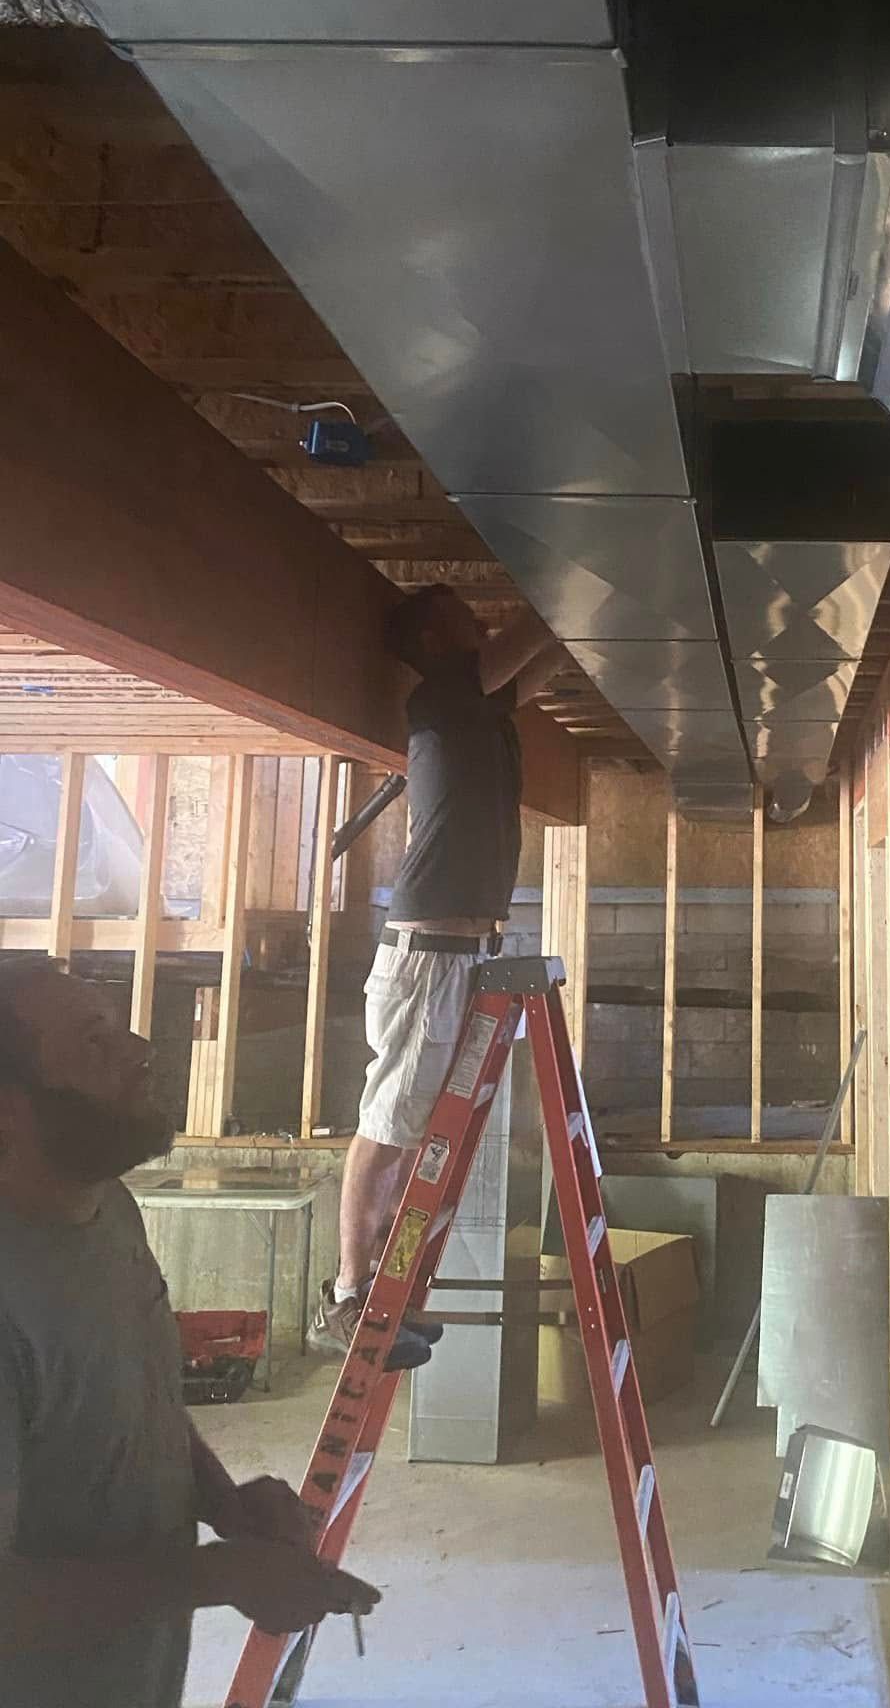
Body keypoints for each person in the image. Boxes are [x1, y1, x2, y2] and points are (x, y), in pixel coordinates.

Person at [0, 956, 379, 1708]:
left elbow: (135, 1397)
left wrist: (223, 1503)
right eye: (95, 1045)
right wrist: (216, 1576)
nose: (141, 1049)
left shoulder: (106, 1207)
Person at [311, 587, 559, 1361]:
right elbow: (544, 628)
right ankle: (350, 1297)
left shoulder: (479, 704)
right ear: (432, 637)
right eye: (459, 611)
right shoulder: (444, 694)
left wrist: (599, 613)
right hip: (430, 960)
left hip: (460, 954)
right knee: (388, 1128)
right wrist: (588, 581)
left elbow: (553, 652)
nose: (478, 616)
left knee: (414, 1131)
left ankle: (387, 1291)